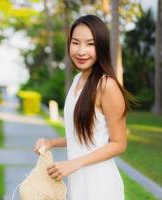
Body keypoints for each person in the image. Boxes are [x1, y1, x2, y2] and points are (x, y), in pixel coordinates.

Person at [34, 15, 135, 200]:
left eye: (90, 44)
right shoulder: (76, 80)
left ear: (101, 47)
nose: (81, 51)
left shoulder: (107, 85)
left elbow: (119, 143)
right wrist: (52, 143)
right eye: (75, 43)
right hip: (76, 180)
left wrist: (75, 163)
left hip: (100, 185)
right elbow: (83, 135)